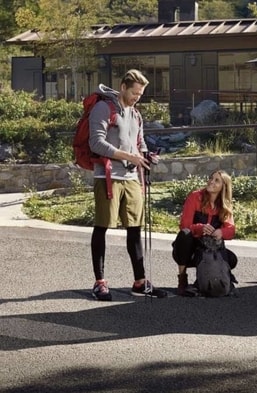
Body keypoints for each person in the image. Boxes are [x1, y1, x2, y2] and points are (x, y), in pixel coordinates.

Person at [88, 69, 167, 301]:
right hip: (108, 177)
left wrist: (146, 155)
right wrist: (128, 156)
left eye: (140, 94)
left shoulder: (136, 114)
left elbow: (139, 143)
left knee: (135, 228)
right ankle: (100, 282)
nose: (137, 98)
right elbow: (96, 143)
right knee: (102, 227)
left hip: (132, 178)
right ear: (123, 87)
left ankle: (140, 281)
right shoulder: (104, 108)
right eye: (135, 93)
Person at [172, 170, 238, 296]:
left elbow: (231, 230)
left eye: (216, 180)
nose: (211, 181)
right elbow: (184, 225)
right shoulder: (195, 196)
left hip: (207, 249)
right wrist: (200, 228)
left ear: (223, 187)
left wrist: (221, 232)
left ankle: (206, 280)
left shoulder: (225, 205)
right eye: (211, 178)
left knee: (232, 259)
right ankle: (182, 279)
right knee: (185, 234)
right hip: (188, 249)